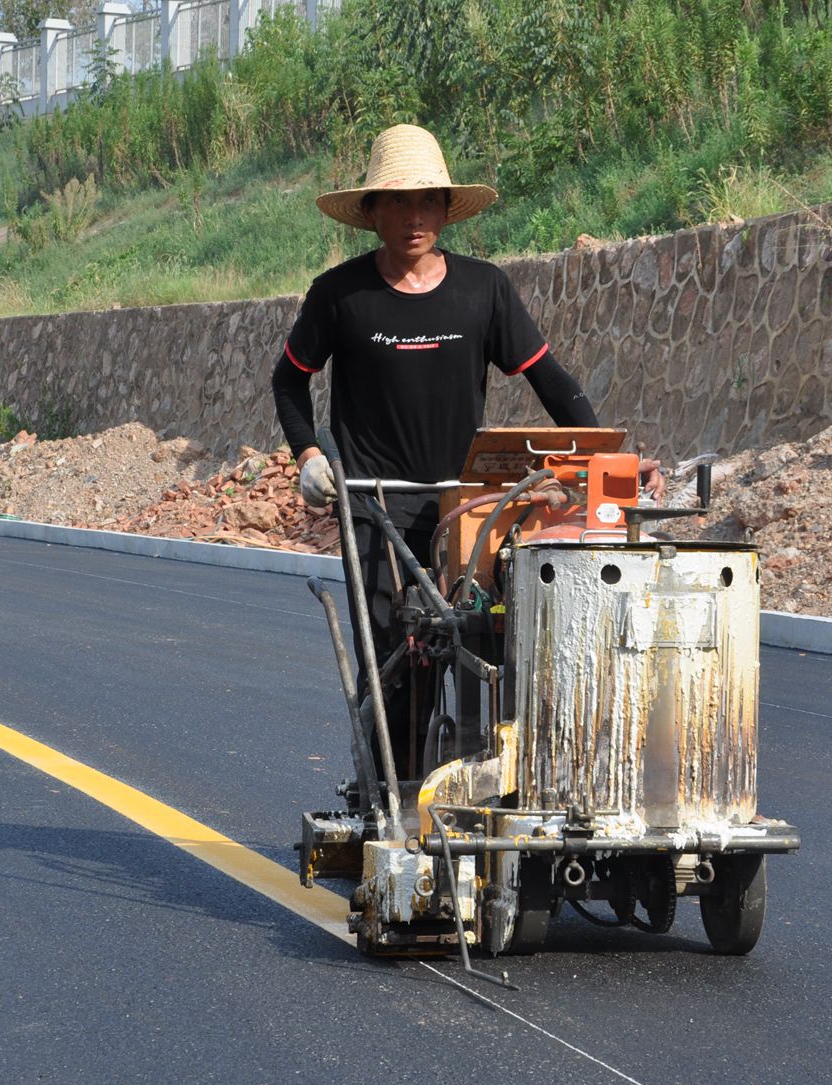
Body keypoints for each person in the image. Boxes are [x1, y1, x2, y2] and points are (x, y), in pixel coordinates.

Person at [273, 124, 640, 784]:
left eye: (428, 203)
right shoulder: (340, 296)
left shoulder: (483, 290)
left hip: (467, 504)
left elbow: (551, 380)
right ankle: (388, 795)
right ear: (373, 212)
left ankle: (486, 783)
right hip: (374, 504)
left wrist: (599, 454)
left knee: (485, 641)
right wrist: (308, 456)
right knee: (396, 657)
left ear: (446, 210)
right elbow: (289, 377)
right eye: (399, 204)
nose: (415, 219)